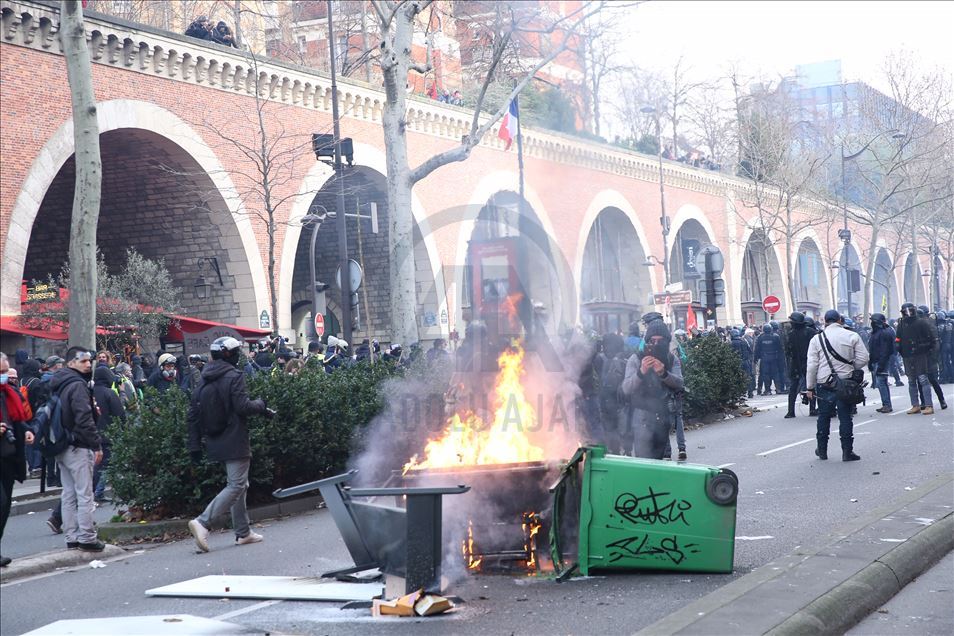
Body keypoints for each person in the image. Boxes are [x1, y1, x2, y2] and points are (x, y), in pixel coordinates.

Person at [187, 337, 271, 552]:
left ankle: (243, 533)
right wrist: (262, 404)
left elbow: (193, 414)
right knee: (236, 485)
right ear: (229, 355)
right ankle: (203, 522)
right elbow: (243, 406)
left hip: (214, 438)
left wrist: (194, 445)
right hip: (235, 438)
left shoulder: (204, 378)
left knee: (240, 485)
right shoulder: (234, 376)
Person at [50, 347, 105, 551]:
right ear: (71, 363)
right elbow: (84, 418)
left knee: (69, 493)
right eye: (83, 361)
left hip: (62, 445)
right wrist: (96, 444)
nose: (88, 364)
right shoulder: (78, 386)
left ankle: (71, 537)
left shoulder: (58, 383)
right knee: (84, 494)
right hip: (78, 445)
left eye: (89, 361)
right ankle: (87, 537)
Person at [805, 310, 868, 462]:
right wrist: (851, 366)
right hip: (846, 382)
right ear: (840, 320)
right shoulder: (851, 335)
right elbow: (864, 358)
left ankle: (822, 450)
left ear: (825, 321)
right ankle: (847, 452)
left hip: (824, 383)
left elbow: (812, 365)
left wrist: (810, 387)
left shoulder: (816, 339)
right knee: (845, 417)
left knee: (824, 417)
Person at [620, 316, 685, 460]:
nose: (656, 344)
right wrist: (641, 372)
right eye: (652, 341)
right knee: (644, 461)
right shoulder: (636, 359)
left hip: (663, 415)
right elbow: (626, 388)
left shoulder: (671, 359)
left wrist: (663, 373)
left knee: (659, 460)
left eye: (660, 341)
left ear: (667, 341)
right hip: (641, 416)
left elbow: (680, 382)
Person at [1, 351, 35, 567]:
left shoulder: (8, 393)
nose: (4, 376)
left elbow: (17, 419)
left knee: (4, 508)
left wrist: (27, 431)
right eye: (0, 372)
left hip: (8, 457)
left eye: (5, 371)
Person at [91, 364, 125, 503]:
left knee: (96, 465)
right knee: (105, 464)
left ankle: (94, 492)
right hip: (107, 434)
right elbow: (120, 414)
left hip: (90, 434)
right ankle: (96, 492)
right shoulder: (109, 393)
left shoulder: (88, 392)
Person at [896, 303, 936, 415]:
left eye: (910, 311)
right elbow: (898, 337)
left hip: (920, 354)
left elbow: (931, 339)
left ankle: (928, 405)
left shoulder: (921, 323)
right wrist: (898, 345)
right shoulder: (901, 323)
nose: (908, 314)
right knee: (911, 380)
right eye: (905, 312)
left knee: (923, 379)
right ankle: (915, 405)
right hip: (907, 355)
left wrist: (926, 349)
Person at [785, 312, 816, 418]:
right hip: (805, 363)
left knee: (796, 388)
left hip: (799, 363)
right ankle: (811, 409)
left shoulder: (791, 334)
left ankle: (791, 411)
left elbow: (787, 351)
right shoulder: (811, 332)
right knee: (810, 386)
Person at [918, 306, 947, 410]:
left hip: (929, 356)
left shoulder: (930, 325)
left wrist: (933, 356)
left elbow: (936, 342)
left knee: (933, 380)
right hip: (920, 356)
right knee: (920, 381)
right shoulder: (917, 325)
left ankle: (941, 400)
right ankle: (923, 402)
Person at [867, 313, 896, 413]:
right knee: (881, 383)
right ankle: (886, 404)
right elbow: (872, 349)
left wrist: (881, 365)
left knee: (881, 383)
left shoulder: (884, 333)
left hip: (881, 361)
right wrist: (870, 362)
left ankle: (887, 405)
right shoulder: (876, 333)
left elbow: (885, 350)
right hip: (876, 360)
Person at [754, 324, 784, 395]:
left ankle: (767, 390)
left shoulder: (760, 337)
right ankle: (778, 389)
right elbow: (780, 348)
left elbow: (757, 349)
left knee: (766, 374)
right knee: (776, 373)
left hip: (764, 358)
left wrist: (756, 358)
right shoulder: (776, 336)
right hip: (774, 358)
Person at [729, 328, 755, 399]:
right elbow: (750, 351)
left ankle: (739, 394)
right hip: (746, 362)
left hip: (736, 362)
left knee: (737, 378)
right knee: (748, 377)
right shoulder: (744, 341)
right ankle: (750, 393)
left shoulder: (731, 343)